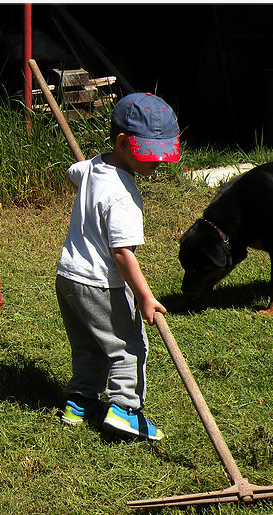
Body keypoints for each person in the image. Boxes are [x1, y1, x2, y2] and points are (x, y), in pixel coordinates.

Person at [55, 92, 180, 441]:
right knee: (128, 346)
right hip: (99, 283)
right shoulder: (125, 197)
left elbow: (73, 172)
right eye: (151, 154)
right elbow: (122, 253)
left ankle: (79, 402)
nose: (159, 162)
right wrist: (144, 296)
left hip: (67, 277)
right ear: (124, 143)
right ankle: (125, 409)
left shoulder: (94, 166)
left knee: (88, 344)